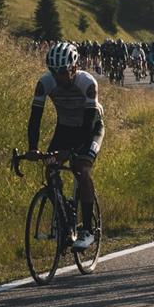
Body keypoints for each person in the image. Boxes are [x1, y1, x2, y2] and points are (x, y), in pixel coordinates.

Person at [26, 40, 105, 250]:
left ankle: (87, 230)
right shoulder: (45, 83)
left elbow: (88, 124)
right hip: (65, 127)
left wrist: (70, 152)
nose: (58, 77)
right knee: (50, 166)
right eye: (53, 71)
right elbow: (35, 118)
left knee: (82, 168)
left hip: (91, 127)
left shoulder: (88, 83)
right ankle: (64, 217)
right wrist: (33, 148)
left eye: (62, 71)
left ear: (74, 68)